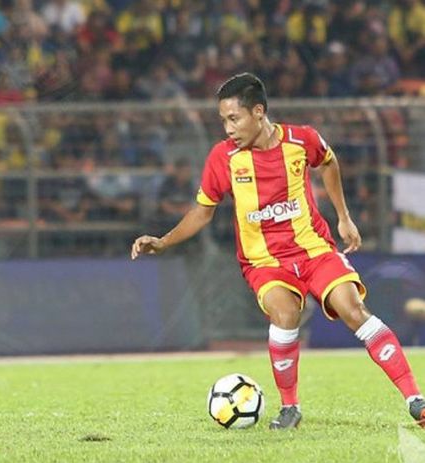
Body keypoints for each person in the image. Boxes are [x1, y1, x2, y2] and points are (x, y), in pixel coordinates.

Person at [130, 72, 425, 429]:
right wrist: (162, 241)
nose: (228, 128)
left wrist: (344, 217)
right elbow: (202, 212)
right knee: (284, 315)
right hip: (264, 262)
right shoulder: (223, 158)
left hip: (314, 249)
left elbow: (329, 161)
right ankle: (290, 407)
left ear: (258, 112)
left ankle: (415, 400)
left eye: (233, 118)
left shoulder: (302, 140)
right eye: (223, 120)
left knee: (353, 308)